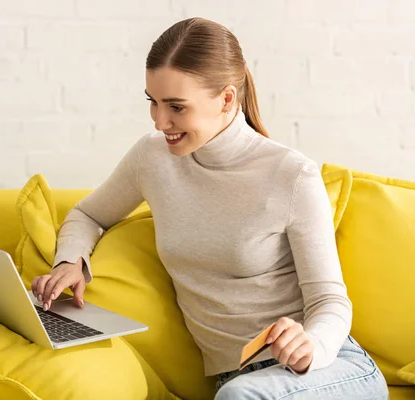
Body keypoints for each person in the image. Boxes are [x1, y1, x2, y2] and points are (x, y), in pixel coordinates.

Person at [31, 17, 389, 399]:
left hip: (328, 372)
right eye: (152, 102)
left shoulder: (291, 175)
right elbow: (88, 214)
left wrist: (311, 349)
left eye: (176, 107)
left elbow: (329, 300)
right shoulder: (153, 158)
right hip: (239, 383)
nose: (160, 120)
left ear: (227, 99)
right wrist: (70, 261)